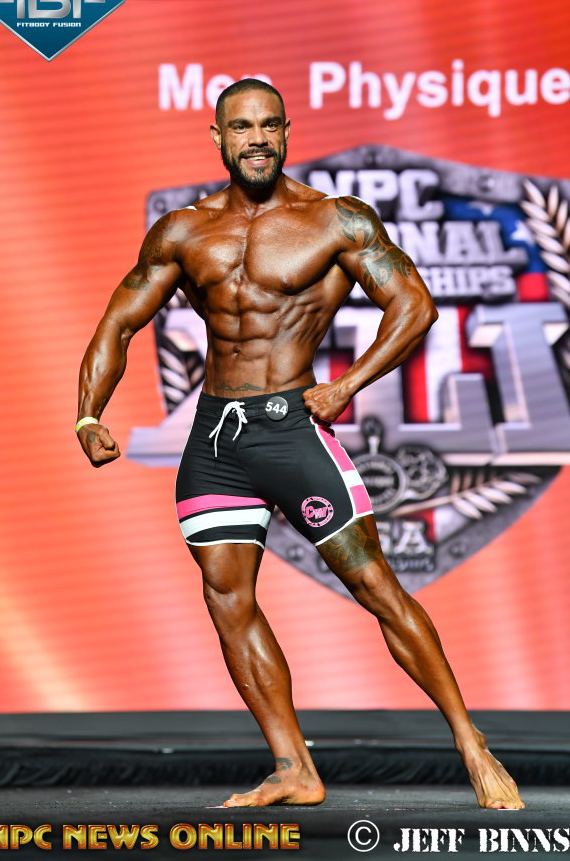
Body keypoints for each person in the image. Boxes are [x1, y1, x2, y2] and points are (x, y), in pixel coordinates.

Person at [76, 78, 524, 810]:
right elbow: (119, 321)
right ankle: (294, 768)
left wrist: (347, 385)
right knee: (227, 598)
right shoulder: (181, 230)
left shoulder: (335, 220)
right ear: (218, 138)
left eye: (268, 126)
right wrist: (87, 415)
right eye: (240, 127)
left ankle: (471, 743)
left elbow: (414, 307)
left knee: (374, 586)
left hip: (293, 429)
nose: (256, 139)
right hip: (215, 440)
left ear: (286, 133)